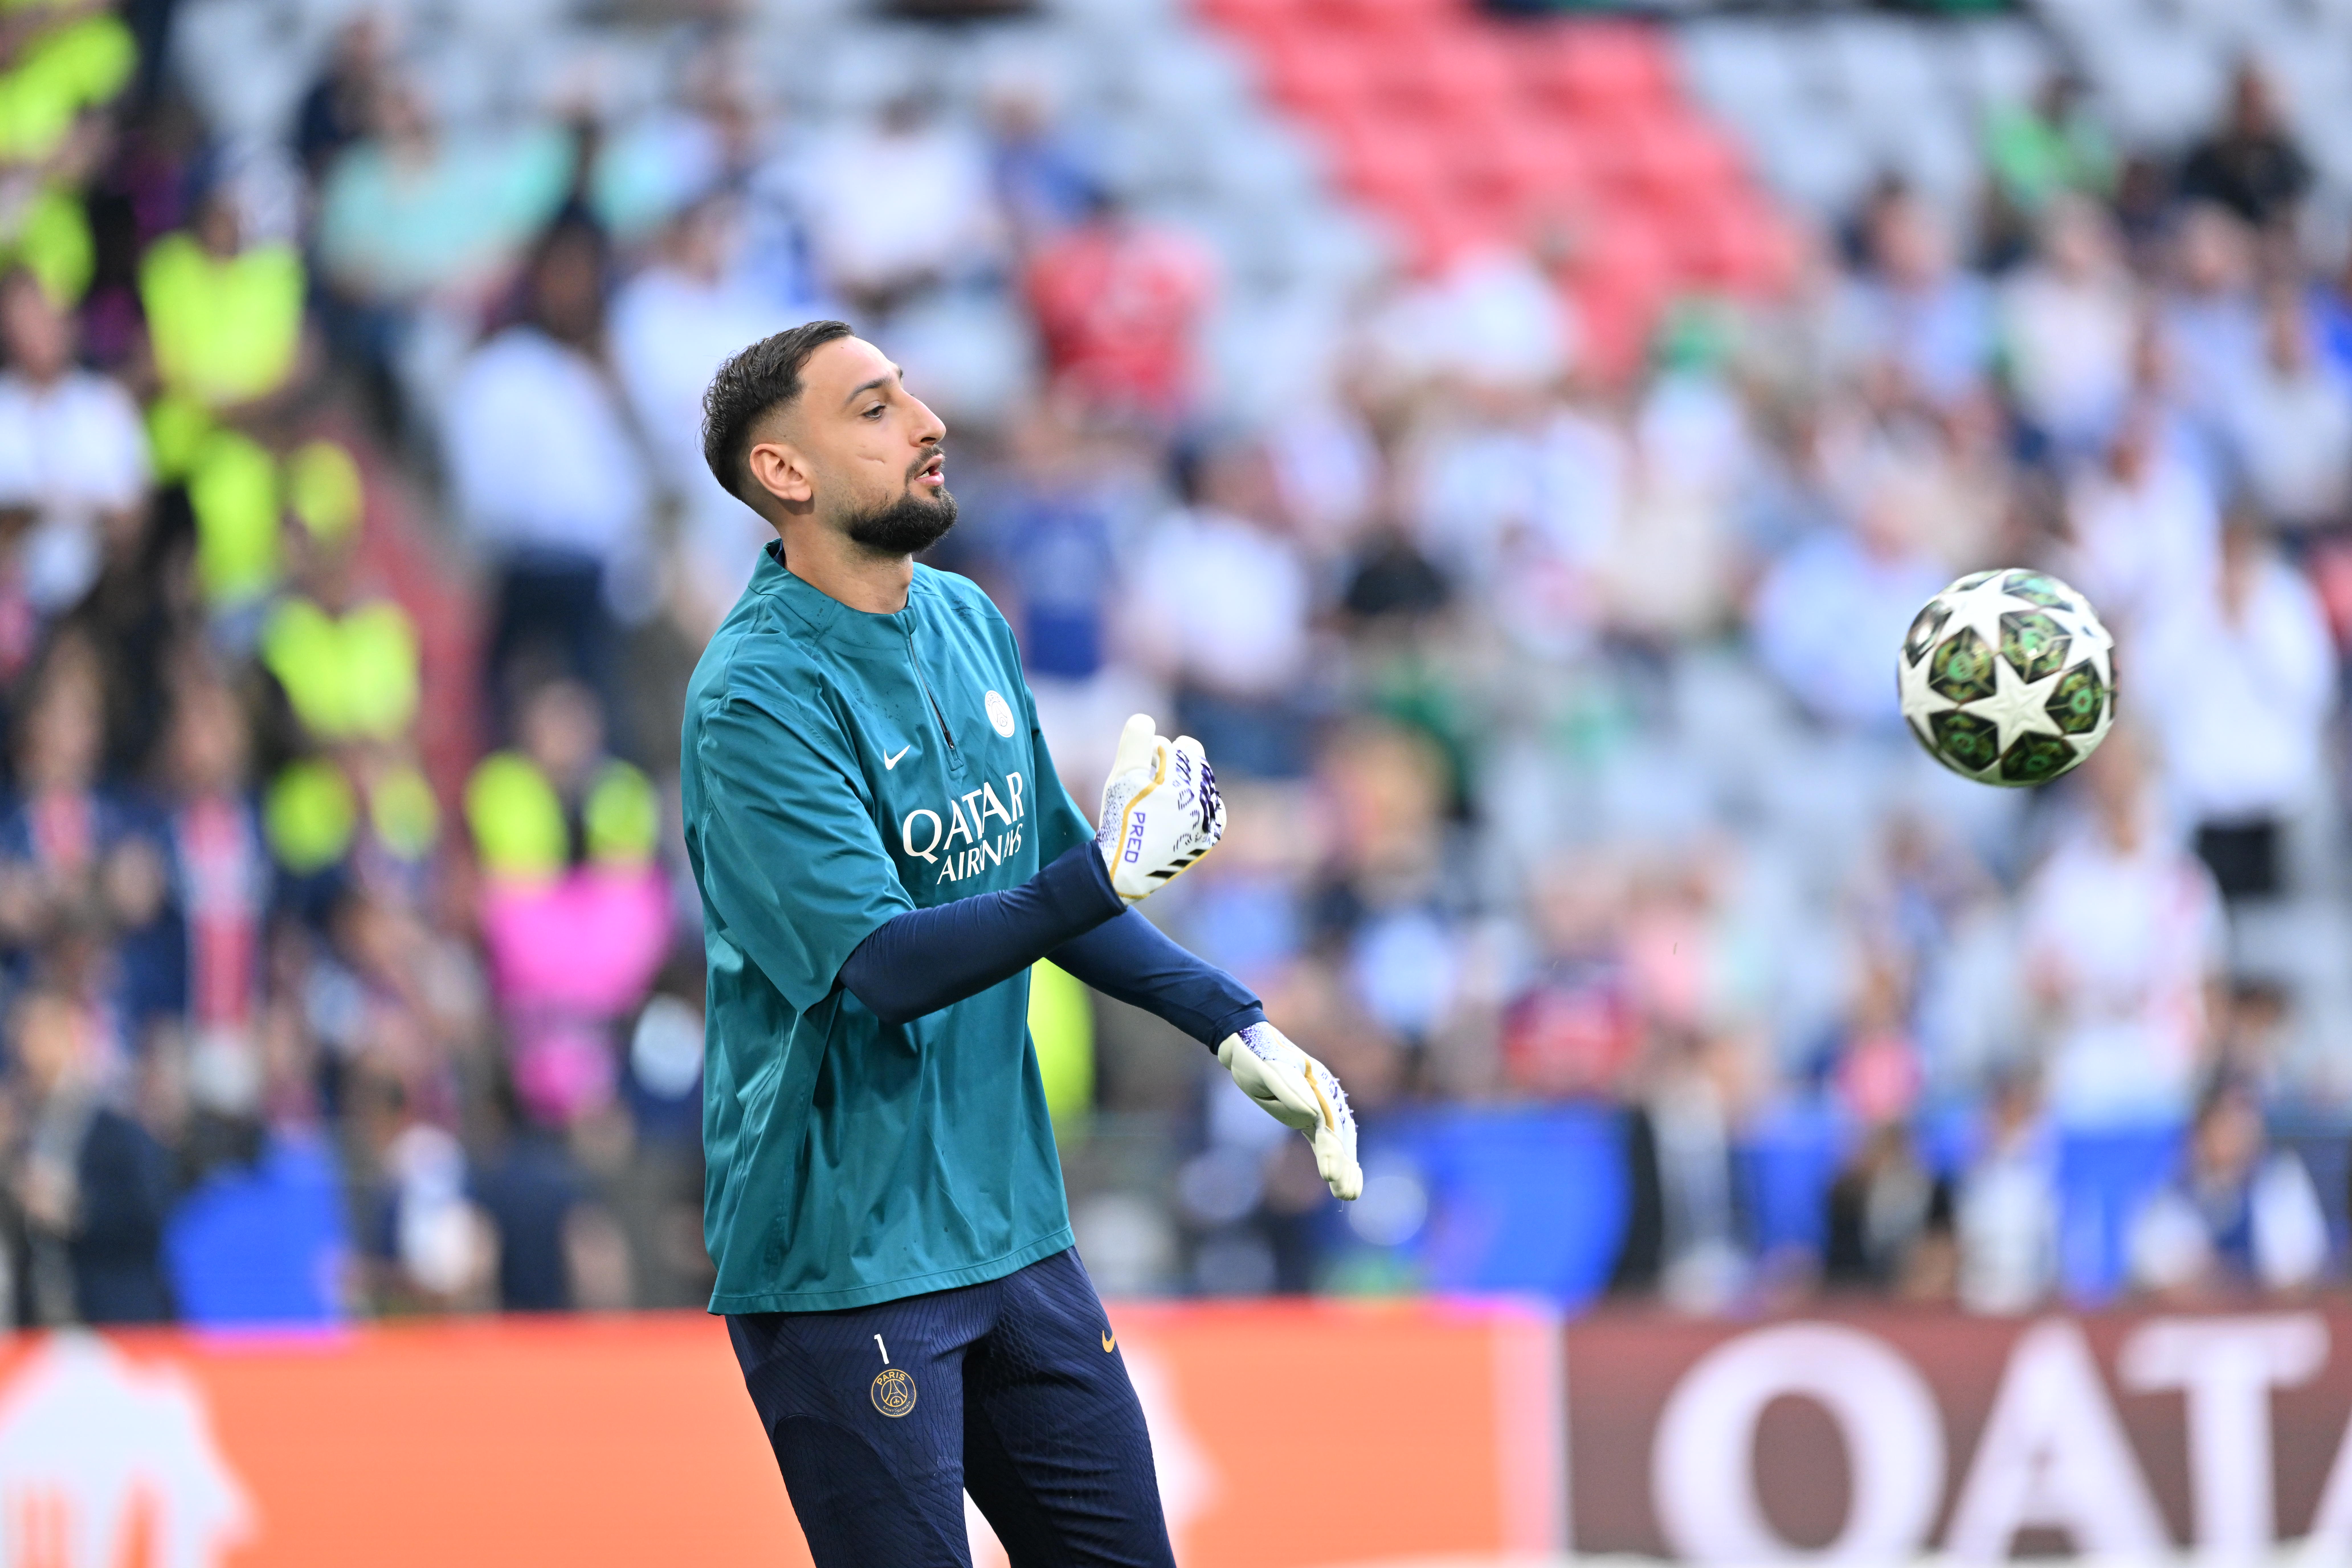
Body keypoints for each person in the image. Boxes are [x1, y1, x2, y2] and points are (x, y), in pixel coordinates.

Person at [683, 321, 1359, 1566]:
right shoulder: (754, 697)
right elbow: (888, 966)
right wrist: (1104, 868)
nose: (930, 420)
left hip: (1012, 1223)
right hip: (848, 1256)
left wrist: (1231, 1017)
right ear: (787, 474)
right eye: (876, 409)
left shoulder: (965, 618)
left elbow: (1040, 880)